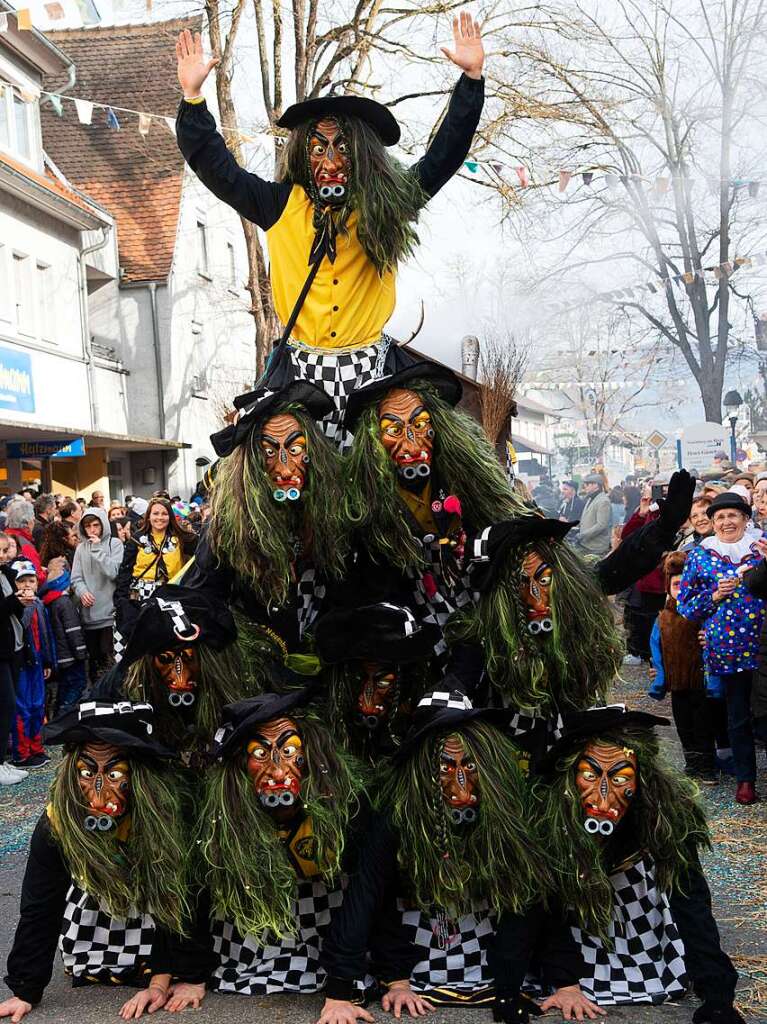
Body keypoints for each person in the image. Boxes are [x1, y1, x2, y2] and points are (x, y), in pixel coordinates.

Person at [175, 15, 485, 446]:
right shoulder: (279, 204)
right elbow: (216, 168)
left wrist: (471, 81)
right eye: (319, 148)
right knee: (276, 470)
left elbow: (443, 156)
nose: (331, 161)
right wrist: (193, 99)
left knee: (422, 458)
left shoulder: (386, 207)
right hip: (302, 377)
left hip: (374, 373)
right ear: (304, 153)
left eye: (342, 147)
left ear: (361, 154)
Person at [318, 689, 598, 1023]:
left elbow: (533, 897)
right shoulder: (397, 815)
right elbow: (366, 895)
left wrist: (563, 982)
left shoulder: (506, 811)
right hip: (415, 951)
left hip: (487, 955)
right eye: (445, 768)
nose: (461, 783)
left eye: (470, 765)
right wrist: (344, 991)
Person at [532, 706, 743, 1022]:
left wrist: (717, 995)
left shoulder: (666, 815)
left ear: (642, 777)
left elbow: (690, 898)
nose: (604, 796)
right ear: (569, 774)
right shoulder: (549, 815)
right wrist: (566, 982)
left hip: (639, 940)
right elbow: (542, 900)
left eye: (620, 778)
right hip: (574, 938)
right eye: (589, 775)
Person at [0, 700, 194, 1023]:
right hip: (98, 905)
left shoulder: (162, 812)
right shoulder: (58, 820)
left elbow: (176, 894)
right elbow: (40, 902)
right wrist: (25, 989)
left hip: (154, 908)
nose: (99, 791)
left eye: (115, 773)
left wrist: (161, 981)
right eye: (88, 773)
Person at [677, 491, 766, 805]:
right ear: (712, 523)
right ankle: (746, 780)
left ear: (744, 519)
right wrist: (714, 596)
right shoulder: (701, 555)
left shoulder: (760, 549)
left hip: (764, 646)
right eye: (720, 517)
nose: (727, 522)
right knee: (738, 714)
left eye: (733, 516)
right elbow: (685, 606)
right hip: (726, 649)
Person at [648, 551, 717, 783]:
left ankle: (707, 764)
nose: (680, 588)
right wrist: (658, 672)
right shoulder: (662, 617)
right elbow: (655, 646)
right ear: (668, 587)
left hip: (699, 680)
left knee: (703, 723)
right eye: (675, 584)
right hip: (677, 682)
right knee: (683, 723)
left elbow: (713, 637)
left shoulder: (702, 612)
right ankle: (692, 762)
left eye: (684, 584)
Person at [114, 497, 197, 645]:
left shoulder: (180, 538)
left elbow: (201, 552)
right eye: (155, 513)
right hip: (141, 596)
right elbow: (125, 571)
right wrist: (121, 600)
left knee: (172, 639)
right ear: (149, 516)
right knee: (142, 641)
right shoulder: (137, 538)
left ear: (170, 516)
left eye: (164, 514)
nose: (160, 517)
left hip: (171, 594)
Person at [9, 560, 55, 770]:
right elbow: (22, 626)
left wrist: (47, 661)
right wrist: (24, 604)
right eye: (21, 581)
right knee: (22, 708)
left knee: (38, 706)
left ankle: (36, 748)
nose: (27, 585)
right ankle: (22, 753)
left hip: (37, 661)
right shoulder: (15, 606)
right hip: (21, 663)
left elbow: (46, 636)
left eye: (31, 580)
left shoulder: (40, 604)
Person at [71, 507, 124, 686]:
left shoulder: (114, 544)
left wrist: (97, 550)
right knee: (94, 662)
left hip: (110, 614)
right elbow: (76, 578)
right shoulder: (80, 548)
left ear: (103, 525)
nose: (92, 530)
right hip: (88, 614)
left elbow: (114, 573)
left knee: (110, 659)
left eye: (96, 525)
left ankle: (113, 696)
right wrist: (82, 591)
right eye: (88, 526)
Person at [0, 535, 34, 786]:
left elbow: (13, 611)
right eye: (0, 551)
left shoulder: (5, 574)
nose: (4, 555)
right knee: (5, 705)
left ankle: (2, 761)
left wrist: (21, 600)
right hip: (1, 650)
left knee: (7, 707)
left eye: (5, 550)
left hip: (11, 647)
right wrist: (14, 600)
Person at [39, 560, 87, 716]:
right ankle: (64, 718)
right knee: (77, 685)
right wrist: (81, 654)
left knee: (65, 686)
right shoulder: (64, 602)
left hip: (60, 657)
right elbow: (73, 630)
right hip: (72, 657)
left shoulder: (49, 602)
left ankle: (58, 716)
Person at [4, 501, 44, 584]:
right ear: (28, 523)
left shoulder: (4, 536)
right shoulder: (24, 545)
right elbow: (37, 577)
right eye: (33, 520)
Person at [575, 475, 612, 557]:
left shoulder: (603, 501)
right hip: (587, 544)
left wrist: (582, 535)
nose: (585, 487)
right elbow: (587, 518)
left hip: (596, 547)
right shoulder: (590, 498)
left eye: (587, 484)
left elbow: (601, 525)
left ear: (595, 485)